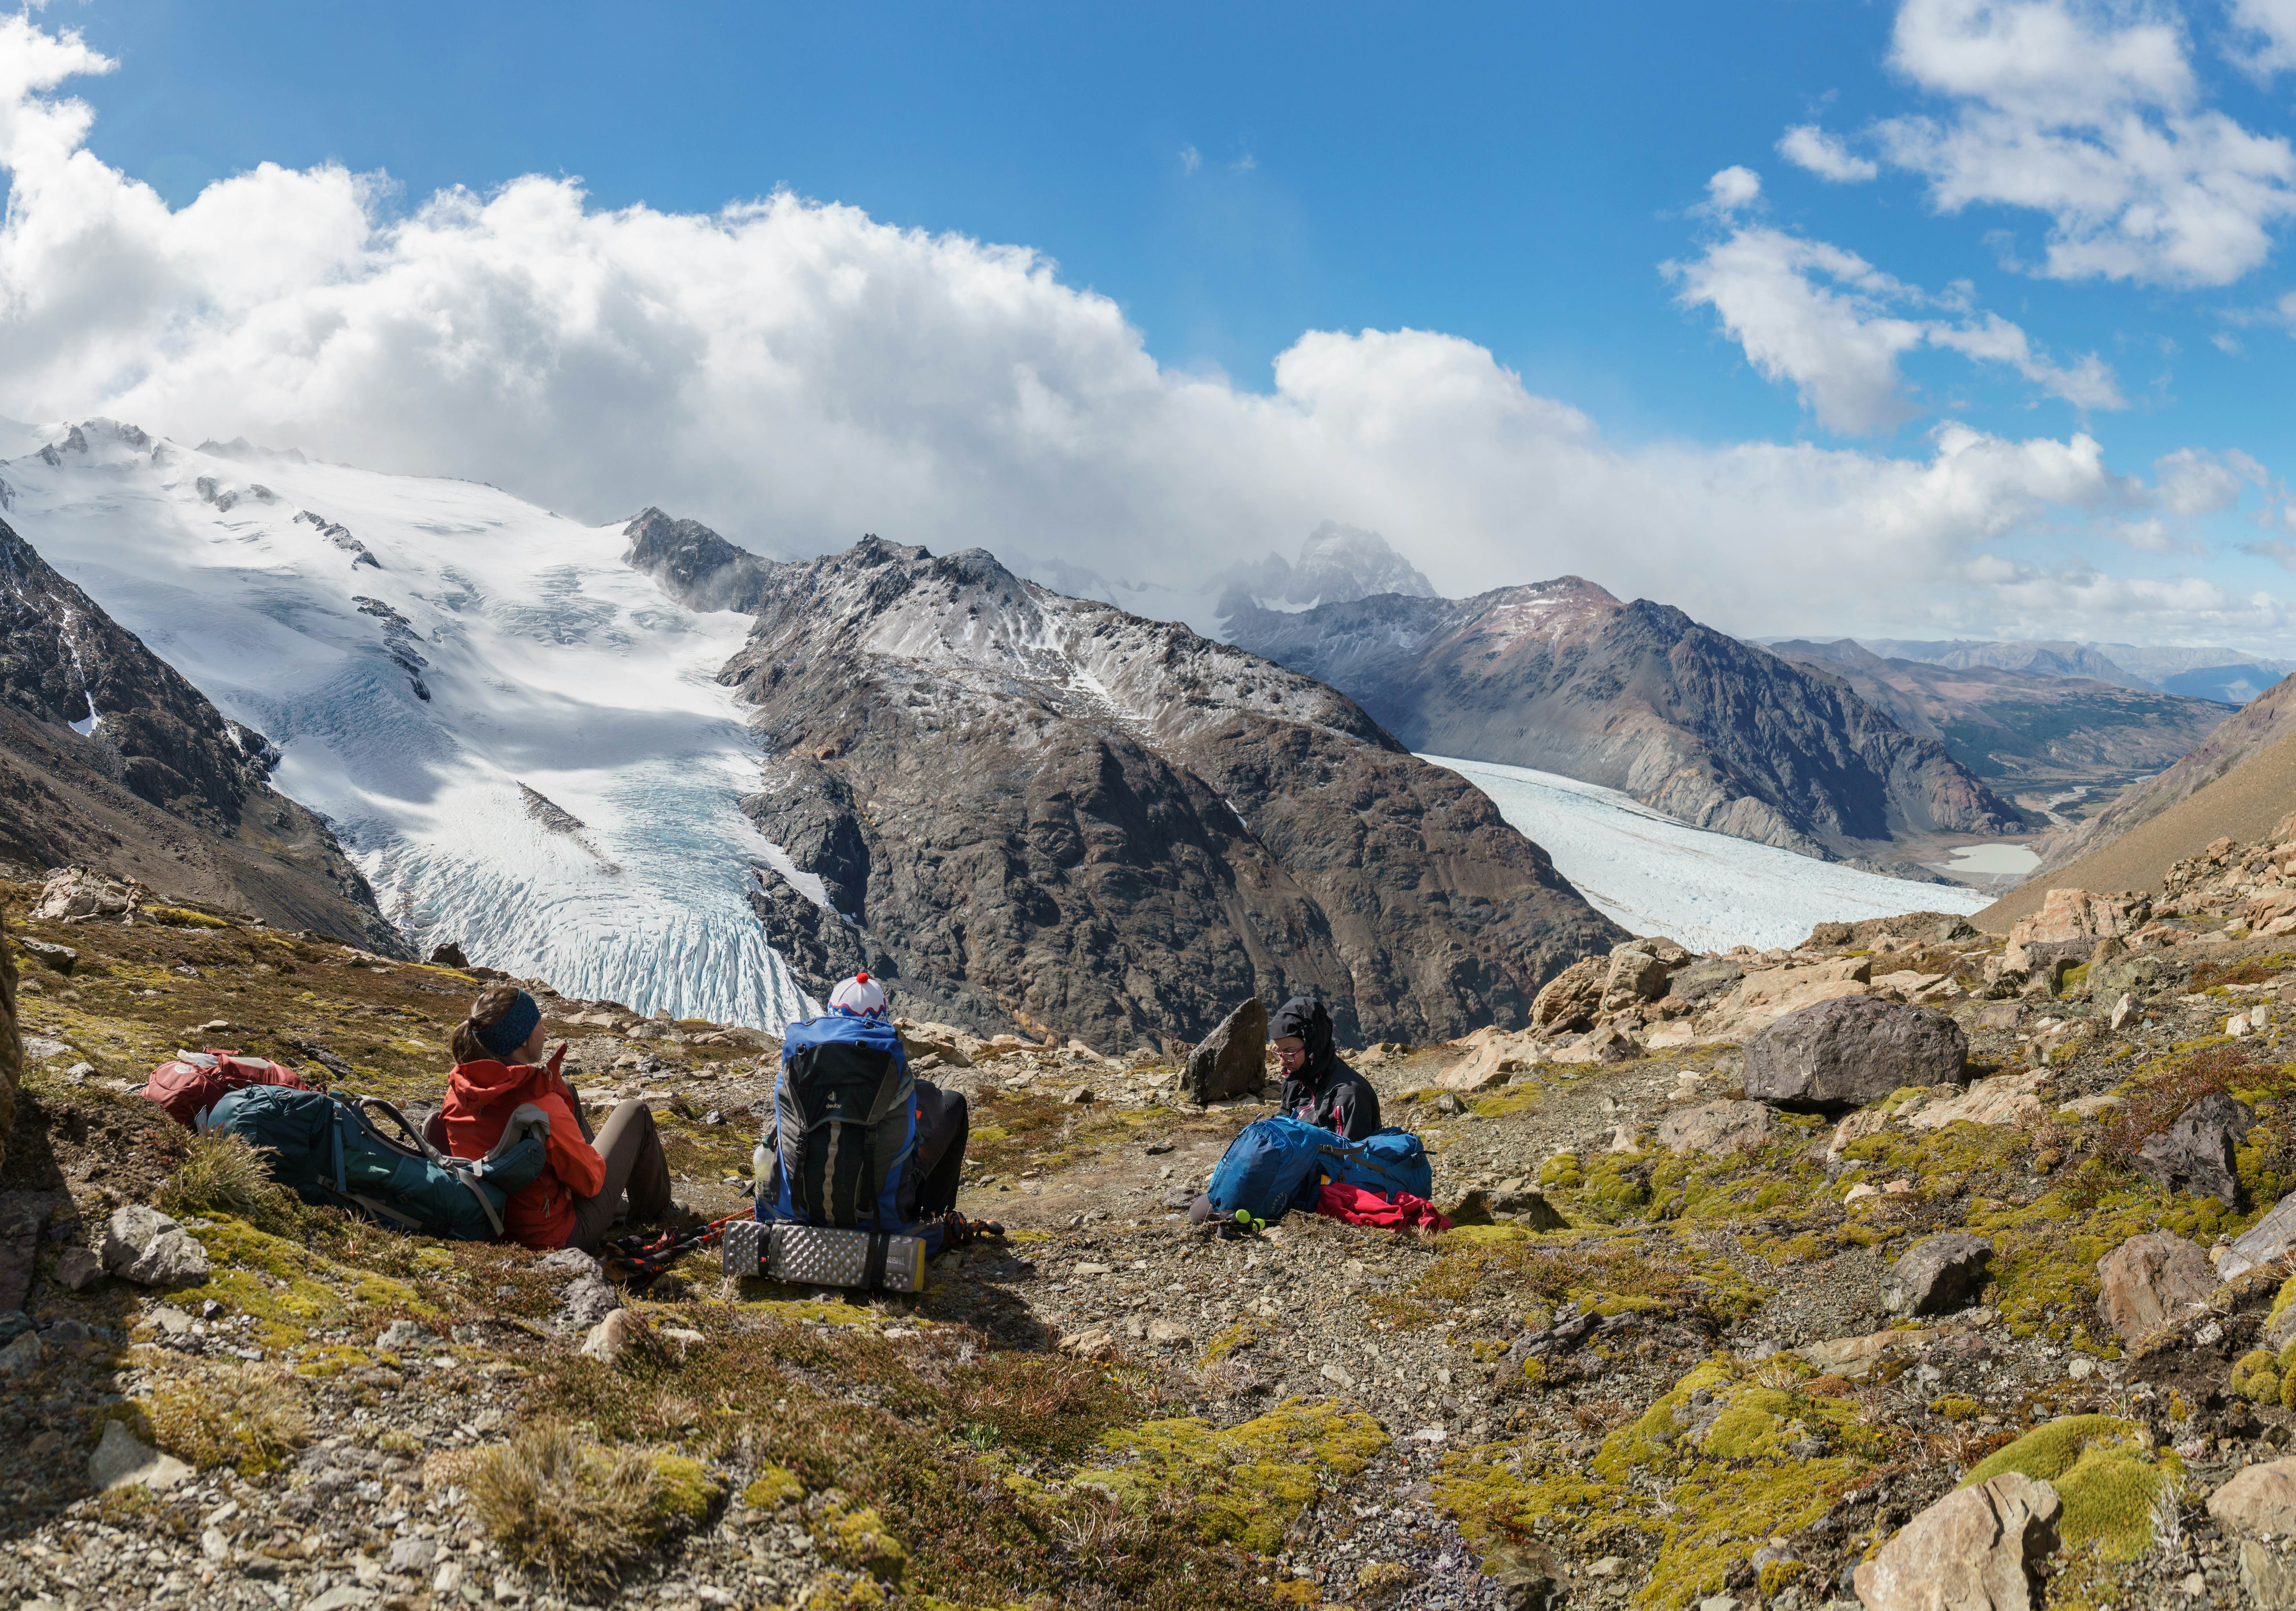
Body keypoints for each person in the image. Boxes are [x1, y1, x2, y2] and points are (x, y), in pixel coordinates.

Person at [440, 983, 692, 1252]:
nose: (544, 1029)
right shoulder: (540, 1107)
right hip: (554, 1238)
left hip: (491, 1225)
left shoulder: (460, 1092)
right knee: (635, 1112)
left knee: (566, 1088)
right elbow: (591, 1181)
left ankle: (614, 1204)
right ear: (523, 1039)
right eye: (538, 1022)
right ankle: (656, 1212)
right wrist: (590, 1158)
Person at [759, 972, 969, 1226]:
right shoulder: (892, 1063)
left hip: (797, 1210)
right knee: (953, 1103)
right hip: (880, 1217)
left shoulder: (796, 1060)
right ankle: (935, 1215)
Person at [1271, 996, 1381, 1141]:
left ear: (1314, 1046)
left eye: (1289, 1052)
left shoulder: (1349, 1096)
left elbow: (1350, 1159)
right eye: (1278, 1052)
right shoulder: (1294, 1082)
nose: (1282, 1062)